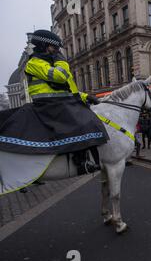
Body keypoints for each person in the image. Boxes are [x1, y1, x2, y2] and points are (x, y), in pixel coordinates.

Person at [0, 30, 108, 175]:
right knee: (81, 123)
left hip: (60, 101)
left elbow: (65, 89)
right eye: (54, 47)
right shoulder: (34, 63)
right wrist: (62, 62)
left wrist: (84, 97)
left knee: (88, 117)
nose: (57, 51)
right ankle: (81, 163)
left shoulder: (50, 62)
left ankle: (89, 159)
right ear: (44, 45)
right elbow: (60, 77)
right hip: (48, 104)